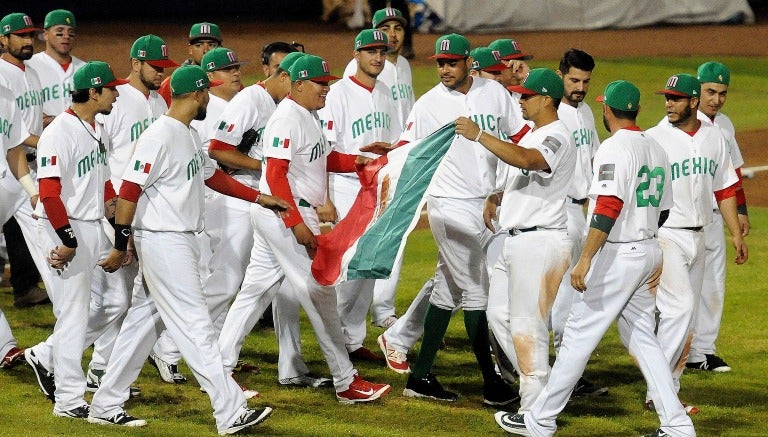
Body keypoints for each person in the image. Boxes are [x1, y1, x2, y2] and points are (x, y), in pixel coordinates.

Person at [493, 80, 696, 437]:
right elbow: (664, 211)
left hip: (619, 253)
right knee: (642, 338)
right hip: (649, 251)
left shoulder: (615, 148)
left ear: (608, 110)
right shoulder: (655, 146)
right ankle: (677, 424)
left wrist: (587, 257)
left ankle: (540, 420)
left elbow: (608, 206)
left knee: (577, 337)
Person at [87, 65, 283, 434]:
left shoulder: (189, 133)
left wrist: (260, 197)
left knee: (145, 322)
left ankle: (106, 402)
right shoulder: (159, 136)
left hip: (179, 239)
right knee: (196, 326)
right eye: (206, 91)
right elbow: (129, 190)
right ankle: (230, 410)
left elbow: (212, 175)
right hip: (163, 241)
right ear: (196, 95)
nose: (210, 96)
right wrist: (119, 243)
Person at [215, 54, 392, 404]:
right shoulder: (286, 119)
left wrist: (358, 159)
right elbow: (276, 174)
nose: (327, 89)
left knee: (254, 291)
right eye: (320, 84)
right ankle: (346, 381)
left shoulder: (307, 115)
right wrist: (295, 224)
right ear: (297, 84)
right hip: (285, 214)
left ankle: (218, 367)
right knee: (319, 292)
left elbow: (320, 159)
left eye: (327, 84)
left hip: (282, 214)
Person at [395, 34, 521, 407]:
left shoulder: (494, 93)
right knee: (477, 293)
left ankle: (419, 377)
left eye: (451, 62)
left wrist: (503, 190)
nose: (444, 69)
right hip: (448, 206)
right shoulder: (428, 104)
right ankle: (491, 381)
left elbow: (518, 134)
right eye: (439, 63)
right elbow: (406, 149)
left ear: (469, 62)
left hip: (489, 204)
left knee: (446, 292)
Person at [454, 68, 576, 412]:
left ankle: (533, 411)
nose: (520, 100)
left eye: (527, 95)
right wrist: (497, 195)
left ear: (547, 100)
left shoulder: (557, 136)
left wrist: (479, 135)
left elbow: (529, 162)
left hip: (541, 242)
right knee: (499, 317)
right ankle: (547, 388)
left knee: (527, 327)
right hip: (515, 241)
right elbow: (519, 173)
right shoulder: (534, 134)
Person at [209, 51, 325, 388]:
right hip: (243, 199)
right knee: (231, 282)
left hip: (268, 198)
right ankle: (176, 350)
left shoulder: (295, 109)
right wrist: (267, 167)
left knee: (273, 288)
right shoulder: (252, 99)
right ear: (287, 77)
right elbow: (217, 149)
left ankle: (287, 367)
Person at [26, 61, 131, 418]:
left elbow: (103, 187)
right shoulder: (60, 131)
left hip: (90, 227)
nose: (117, 94)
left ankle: (46, 354)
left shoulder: (94, 127)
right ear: (94, 92)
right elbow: (49, 192)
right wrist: (67, 240)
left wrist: (120, 236)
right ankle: (68, 400)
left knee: (117, 302)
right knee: (74, 312)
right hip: (63, 226)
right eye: (112, 89)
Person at [645, 73, 747, 412]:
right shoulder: (653, 138)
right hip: (667, 235)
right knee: (681, 308)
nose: (668, 103)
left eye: (675, 98)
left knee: (681, 318)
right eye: (666, 97)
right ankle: (661, 391)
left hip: (700, 236)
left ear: (692, 102)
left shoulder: (715, 138)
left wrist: (734, 233)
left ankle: (665, 389)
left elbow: (726, 188)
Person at [97, 34, 185, 386]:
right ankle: (95, 367)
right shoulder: (113, 99)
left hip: (145, 216)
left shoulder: (159, 104)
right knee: (115, 299)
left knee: (134, 297)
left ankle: (109, 370)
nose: (161, 75)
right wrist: (111, 207)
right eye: (155, 67)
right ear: (135, 63)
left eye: (164, 68)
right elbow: (98, 156)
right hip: (117, 209)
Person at [318, 29, 401, 360]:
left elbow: (392, 142)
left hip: (376, 189)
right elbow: (321, 151)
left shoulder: (384, 91)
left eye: (381, 52)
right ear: (356, 54)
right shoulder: (337, 94)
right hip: (345, 187)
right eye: (370, 51)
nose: (377, 57)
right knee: (346, 267)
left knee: (369, 266)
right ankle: (334, 341)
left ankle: (352, 340)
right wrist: (324, 198)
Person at [342, 7, 415, 329]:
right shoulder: (353, 76)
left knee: (388, 243)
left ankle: (377, 315)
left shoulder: (402, 68)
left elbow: (401, 122)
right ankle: (352, 324)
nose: (393, 34)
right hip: (353, 178)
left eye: (397, 27)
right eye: (385, 28)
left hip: (390, 169)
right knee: (355, 254)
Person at [686, 61, 749, 373]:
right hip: (684, 219)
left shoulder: (724, 124)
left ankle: (703, 352)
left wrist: (741, 211)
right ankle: (678, 350)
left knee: (713, 285)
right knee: (681, 290)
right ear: (698, 89)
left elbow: (732, 172)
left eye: (722, 93)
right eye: (711, 92)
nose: (717, 99)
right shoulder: (683, 121)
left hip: (715, 216)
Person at [550, 48, 605, 396]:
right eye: (574, 80)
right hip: (559, 211)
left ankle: (565, 367)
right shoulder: (552, 113)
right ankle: (562, 369)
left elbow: (596, 156)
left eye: (585, 81)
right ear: (560, 75)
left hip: (581, 211)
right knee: (564, 295)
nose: (580, 87)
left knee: (575, 293)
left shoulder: (584, 112)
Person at [0, 12, 49, 309]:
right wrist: (46, 141)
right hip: (8, 164)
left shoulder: (31, 72)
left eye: (30, 35)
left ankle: (33, 288)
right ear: (3, 40)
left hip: (27, 165)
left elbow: (30, 119)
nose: (28, 41)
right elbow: (13, 131)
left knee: (39, 229)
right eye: (20, 35)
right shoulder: (2, 75)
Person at [28, 9, 86, 125]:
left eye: (70, 32)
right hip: (41, 140)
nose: (66, 36)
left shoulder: (84, 69)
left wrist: (55, 121)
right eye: (60, 31)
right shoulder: (30, 66)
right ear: (45, 34)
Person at [158, 22, 222, 105]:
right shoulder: (171, 84)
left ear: (220, 49)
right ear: (190, 49)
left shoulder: (230, 81)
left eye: (211, 45)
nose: (205, 50)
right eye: (199, 45)